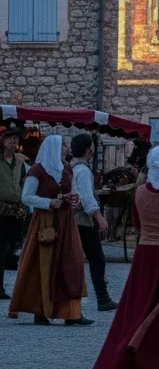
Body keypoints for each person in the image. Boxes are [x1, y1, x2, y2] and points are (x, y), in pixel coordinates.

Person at [93, 146, 159, 369]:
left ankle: (129, 351)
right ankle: (158, 358)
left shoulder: (138, 193)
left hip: (144, 256)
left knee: (138, 306)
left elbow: (137, 225)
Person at [8, 134, 91, 326]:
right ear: (53, 148)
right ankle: (41, 310)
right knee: (44, 266)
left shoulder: (66, 169)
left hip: (66, 221)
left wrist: (73, 197)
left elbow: (73, 191)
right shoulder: (38, 171)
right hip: (46, 222)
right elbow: (26, 197)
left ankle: (71, 313)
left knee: (71, 264)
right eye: (63, 146)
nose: (66, 149)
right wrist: (48, 202)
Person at [69, 134, 117, 312]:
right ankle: (102, 298)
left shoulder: (72, 167)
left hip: (75, 219)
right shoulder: (82, 170)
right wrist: (99, 217)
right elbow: (87, 197)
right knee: (97, 259)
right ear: (88, 148)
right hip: (82, 221)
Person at [0, 127, 28, 301]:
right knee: (1, 248)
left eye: (16, 139)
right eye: (11, 138)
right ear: (3, 140)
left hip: (14, 212)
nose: (14, 142)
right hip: (0, 211)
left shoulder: (20, 162)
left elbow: (22, 183)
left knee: (11, 248)